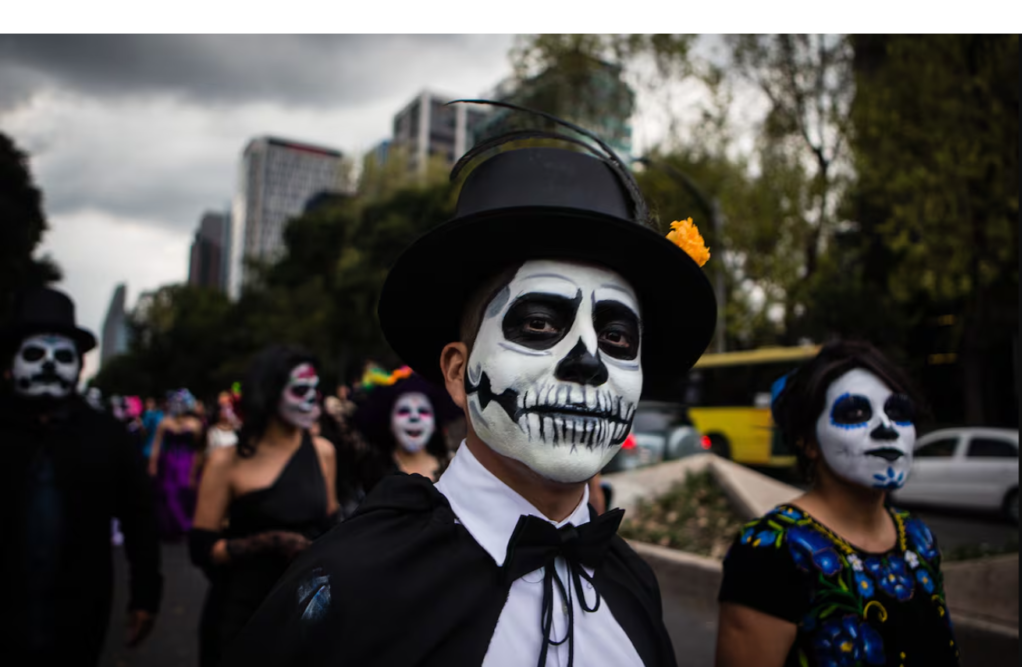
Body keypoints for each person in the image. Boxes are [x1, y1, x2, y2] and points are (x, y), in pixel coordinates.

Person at [223, 103, 717, 667]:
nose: (588, 361)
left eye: (618, 337)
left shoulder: (634, 587)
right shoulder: (353, 582)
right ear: (458, 372)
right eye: (538, 324)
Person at [715, 340, 960, 667]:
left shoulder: (918, 537)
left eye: (898, 412)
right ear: (808, 442)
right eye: (856, 413)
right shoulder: (770, 551)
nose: (887, 429)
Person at [0, 287, 162, 664]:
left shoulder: (107, 435)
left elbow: (139, 517)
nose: (49, 366)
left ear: (78, 365)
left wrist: (145, 595)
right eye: (36, 354)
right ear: (12, 363)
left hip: (76, 611)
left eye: (63, 356)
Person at [190, 345, 340, 667]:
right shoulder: (225, 461)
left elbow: (331, 527)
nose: (312, 399)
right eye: (300, 390)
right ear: (269, 392)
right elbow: (201, 548)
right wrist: (271, 542)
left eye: (316, 390)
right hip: (242, 612)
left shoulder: (324, 452)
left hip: (307, 611)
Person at [352, 365, 461, 488]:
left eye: (423, 411)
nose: (414, 417)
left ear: (434, 425)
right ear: (390, 423)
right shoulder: (372, 471)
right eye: (404, 411)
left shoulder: (453, 469)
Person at [148, 388, 203, 540]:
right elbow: (156, 444)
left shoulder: (195, 424)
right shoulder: (165, 422)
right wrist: (152, 463)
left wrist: (196, 466)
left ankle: (188, 524)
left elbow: (199, 448)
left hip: (187, 462)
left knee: (186, 491)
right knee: (168, 492)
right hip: (169, 463)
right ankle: (174, 526)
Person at [141, 395, 165, 462]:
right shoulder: (159, 414)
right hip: (158, 449)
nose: (147, 404)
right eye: (147, 402)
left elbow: (144, 431)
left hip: (151, 448)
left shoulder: (150, 414)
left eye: (150, 402)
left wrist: (140, 424)